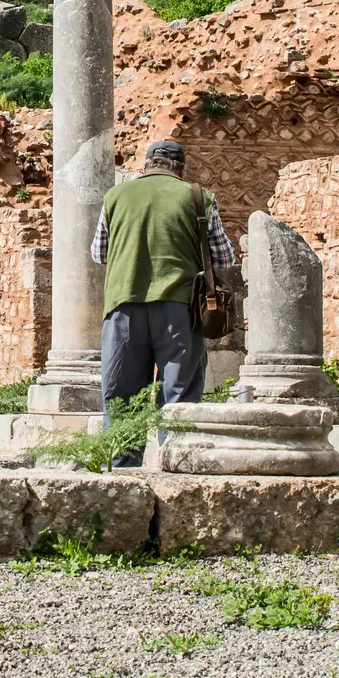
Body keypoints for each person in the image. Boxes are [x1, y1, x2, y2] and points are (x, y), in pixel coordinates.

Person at [91, 139, 239, 463]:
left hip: (122, 307)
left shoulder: (115, 197)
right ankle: (177, 469)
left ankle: (122, 477)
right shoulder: (198, 197)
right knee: (179, 398)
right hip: (179, 308)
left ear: (144, 167)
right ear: (181, 169)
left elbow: (98, 253)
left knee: (122, 399)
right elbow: (224, 257)